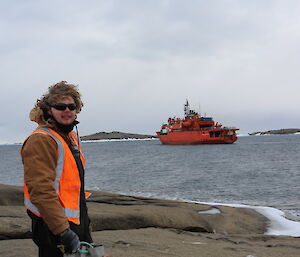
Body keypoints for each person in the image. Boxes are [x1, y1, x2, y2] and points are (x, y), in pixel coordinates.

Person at [21, 81, 93, 257]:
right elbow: (40, 191)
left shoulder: (69, 139)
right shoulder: (42, 140)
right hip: (52, 225)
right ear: (48, 109)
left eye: (71, 106)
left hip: (74, 222)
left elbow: (72, 186)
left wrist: (84, 225)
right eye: (60, 106)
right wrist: (63, 231)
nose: (67, 110)